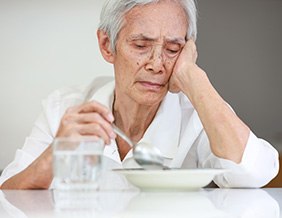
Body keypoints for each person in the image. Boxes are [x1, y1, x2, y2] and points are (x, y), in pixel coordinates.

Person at [0, 0, 279, 189]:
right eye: (141, 45)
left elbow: (255, 172)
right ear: (107, 45)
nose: (157, 64)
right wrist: (54, 157)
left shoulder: (198, 113)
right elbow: (7, 195)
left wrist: (194, 78)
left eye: (172, 49)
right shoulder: (65, 107)